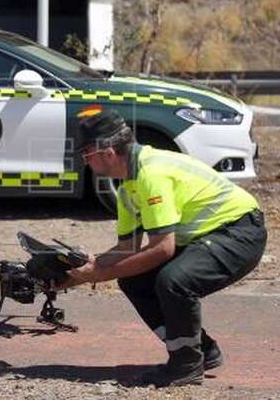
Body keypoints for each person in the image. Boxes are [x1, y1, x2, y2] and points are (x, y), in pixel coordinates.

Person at [58, 110, 267, 387]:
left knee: (174, 281)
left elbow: (162, 250)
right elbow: (126, 249)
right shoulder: (127, 188)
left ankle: (185, 365)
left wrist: (98, 275)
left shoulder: (150, 174)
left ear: (107, 153)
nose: (85, 160)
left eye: (87, 153)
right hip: (210, 235)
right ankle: (201, 350)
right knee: (134, 281)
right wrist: (71, 275)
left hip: (239, 231)